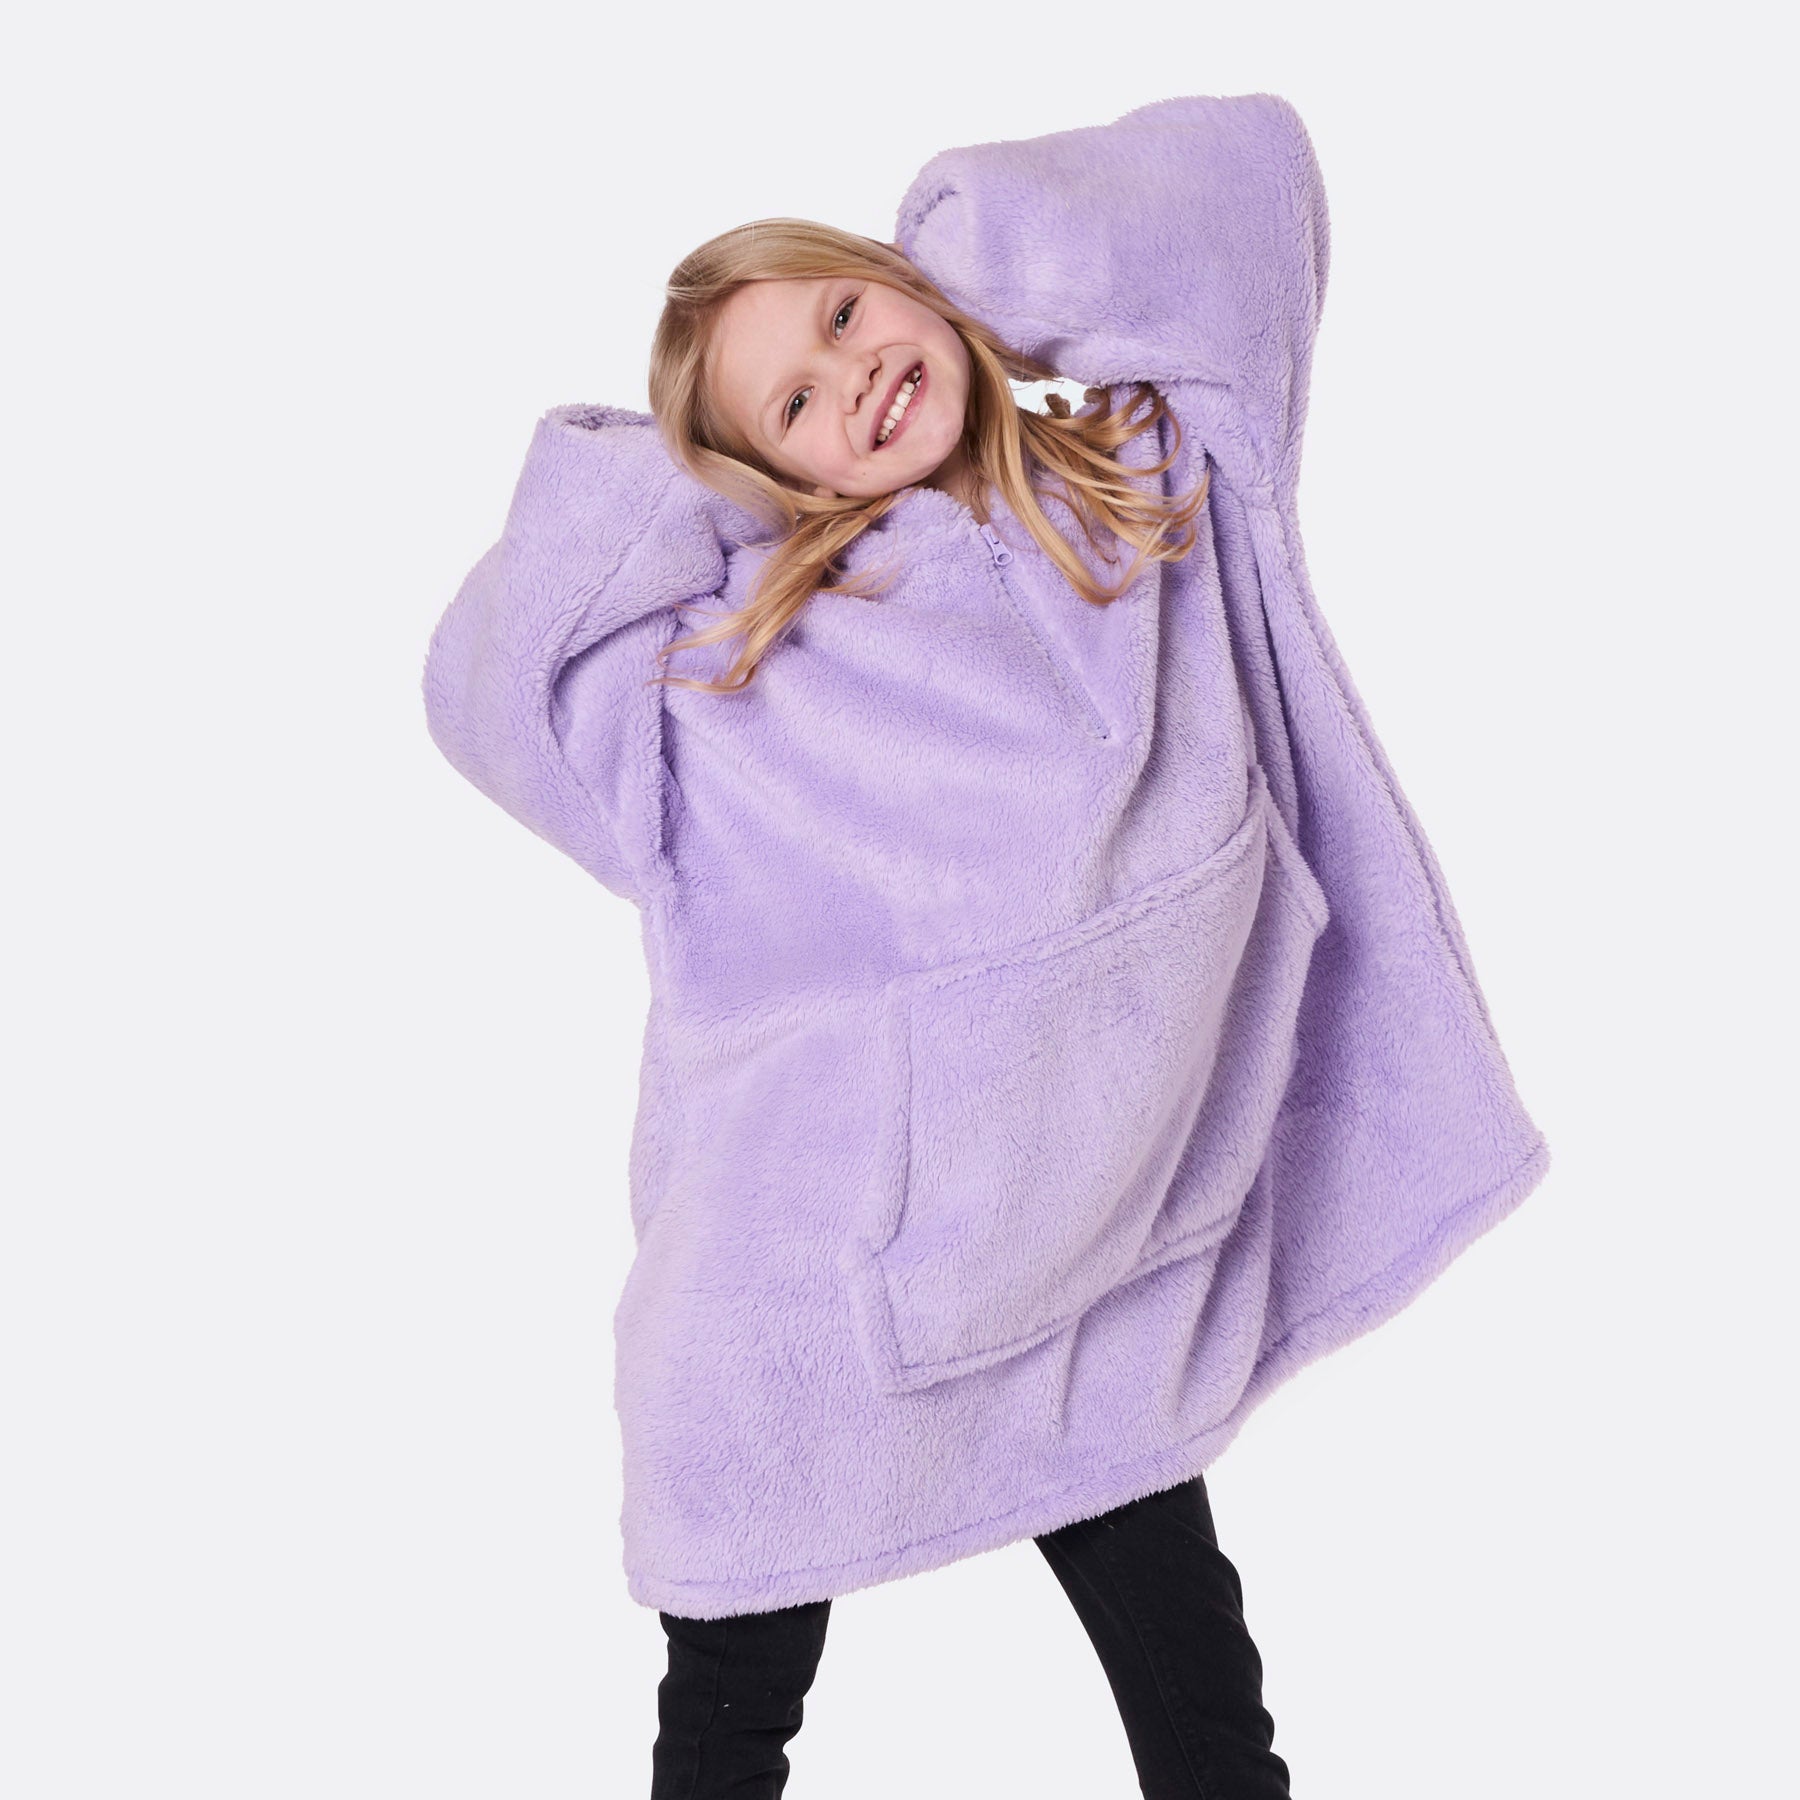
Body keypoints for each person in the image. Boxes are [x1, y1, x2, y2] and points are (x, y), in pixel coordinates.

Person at [422, 91, 1550, 1799]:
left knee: (1203, 1709)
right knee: (731, 1702)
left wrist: (979, 258)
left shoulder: (1156, 484)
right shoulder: (749, 676)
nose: (853, 378)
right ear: (772, 475)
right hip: (815, 1274)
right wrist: (680, 481)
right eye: (793, 404)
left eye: (847, 312)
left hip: (1104, 1239)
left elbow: (1241, 197)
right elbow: (495, 691)